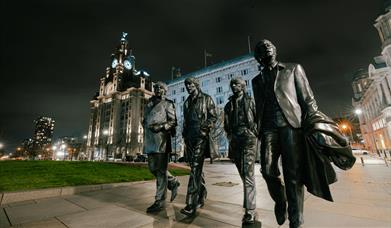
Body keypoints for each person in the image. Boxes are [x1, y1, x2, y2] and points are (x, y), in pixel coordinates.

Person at [252, 39, 319, 228]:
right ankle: (280, 201)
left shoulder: (293, 69)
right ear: (258, 56)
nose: (266, 47)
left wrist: (314, 122)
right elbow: (259, 106)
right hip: (267, 128)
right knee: (267, 170)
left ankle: (296, 221)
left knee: (293, 174)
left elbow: (308, 99)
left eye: (269, 44)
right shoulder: (256, 81)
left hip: (291, 126)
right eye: (261, 47)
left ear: (275, 49)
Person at [180, 77, 217, 216]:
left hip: (201, 137)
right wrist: (184, 134)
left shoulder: (206, 98)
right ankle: (202, 192)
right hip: (189, 138)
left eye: (190, 84)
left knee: (195, 168)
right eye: (186, 85)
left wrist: (205, 128)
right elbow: (185, 121)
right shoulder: (186, 102)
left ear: (196, 84)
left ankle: (191, 203)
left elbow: (213, 116)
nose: (188, 86)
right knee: (195, 168)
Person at [224, 77, 258, 224]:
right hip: (235, 140)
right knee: (243, 173)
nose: (234, 86)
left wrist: (254, 132)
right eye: (232, 84)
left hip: (248, 138)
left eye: (236, 84)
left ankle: (250, 210)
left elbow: (257, 118)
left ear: (243, 86)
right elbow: (226, 123)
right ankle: (249, 202)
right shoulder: (228, 105)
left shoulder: (250, 101)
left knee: (248, 173)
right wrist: (230, 136)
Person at [143, 81, 180, 213]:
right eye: (156, 87)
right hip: (149, 140)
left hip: (161, 141)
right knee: (152, 168)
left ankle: (160, 200)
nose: (157, 89)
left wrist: (161, 127)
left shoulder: (168, 103)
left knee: (160, 171)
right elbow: (145, 119)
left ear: (165, 90)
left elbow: (173, 121)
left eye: (160, 87)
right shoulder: (148, 103)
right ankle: (173, 181)